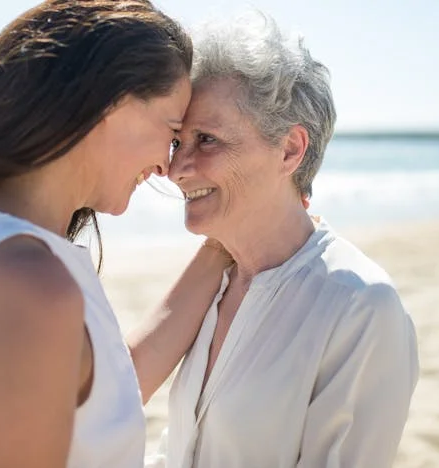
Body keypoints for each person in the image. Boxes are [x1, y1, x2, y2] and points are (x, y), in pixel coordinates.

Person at [0, 2, 231, 467]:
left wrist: (223, 244)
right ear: (108, 102)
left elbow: (96, 392)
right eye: (170, 130)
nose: (168, 165)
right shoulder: (28, 287)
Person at [149, 12, 419, 468]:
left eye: (207, 140)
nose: (177, 169)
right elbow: (179, 450)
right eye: (178, 142)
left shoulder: (361, 307)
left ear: (290, 149)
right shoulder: (213, 286)